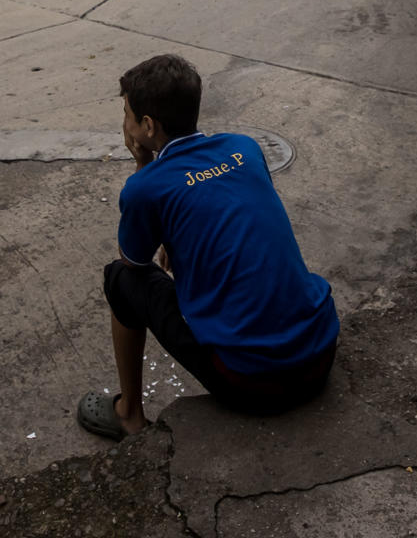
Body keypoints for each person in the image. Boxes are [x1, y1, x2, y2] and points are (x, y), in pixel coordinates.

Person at [76, 55, 340, 440]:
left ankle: (129, 414)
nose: (126, 122)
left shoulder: (146, 187)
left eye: (128, 114)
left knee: (119, 280)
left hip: (252, 383)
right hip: (319, 355)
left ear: (147, 127)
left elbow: (133, 261)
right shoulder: (244, 148)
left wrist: (143, 165)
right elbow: (217, 207)